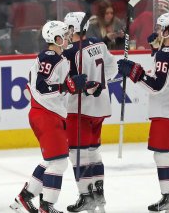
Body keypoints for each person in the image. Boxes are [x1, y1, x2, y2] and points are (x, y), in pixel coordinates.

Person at [118, 13, 169, 213]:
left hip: (166, 113)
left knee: (162, 155)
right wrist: (156, 50)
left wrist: (134, 72)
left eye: (162, 28)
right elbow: (168, 73)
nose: (159, 32)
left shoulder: (166, 53)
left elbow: (156, 86)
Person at [10, 20, 87, 213]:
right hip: (46, 114)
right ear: (56, 38)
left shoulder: (57, 58)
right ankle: (47, 206)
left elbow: (55, 86)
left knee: (50, 161)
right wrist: (66, 86)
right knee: (59, 162)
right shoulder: (50, 57)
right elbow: (42, 86)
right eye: (65, 35)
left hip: (48, 113)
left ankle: (25, 197)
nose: (68, 38)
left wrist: (77, 85)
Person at [63, 12, 118, 213]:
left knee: (78, 154)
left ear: (72, 29)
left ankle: (86, 196)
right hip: (101, 107)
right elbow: (112, 69)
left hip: (81, 109)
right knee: (94, 152)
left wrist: (85, 86)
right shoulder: (99, 44)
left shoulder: (69, 52)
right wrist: (99, 81)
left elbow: (67, 84)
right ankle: (99, 195)